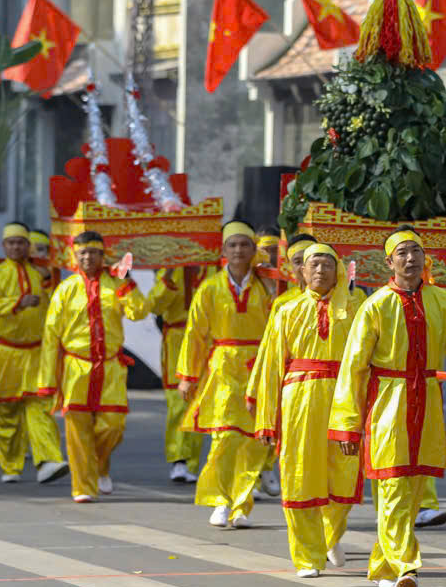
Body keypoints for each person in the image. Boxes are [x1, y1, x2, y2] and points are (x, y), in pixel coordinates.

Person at [330, 227, 446, 587]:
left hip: (426, 406)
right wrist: (347, 425)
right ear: (389, 262)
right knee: (395, 487)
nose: (410, 259)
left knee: (410, 493)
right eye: (402, 253)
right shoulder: (376, 306)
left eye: (416, 251)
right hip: (389, 406)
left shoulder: (439, 301)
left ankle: (385, 564)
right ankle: (406, 567)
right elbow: (353, 368)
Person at [250, 242, 364, 575]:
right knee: (299, 475)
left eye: (327, 264)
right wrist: (266, 419)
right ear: (301, 271)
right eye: (313, 264)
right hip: (298, 400)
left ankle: (330, 535)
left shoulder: (357, 307)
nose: (319, 270)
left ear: (338, 270)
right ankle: (307, 557)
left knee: (345, 475)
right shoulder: (287, 310)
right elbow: (272, 365)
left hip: (344, 398)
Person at [180, 221, 276, 527]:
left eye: (244, 244)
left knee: (253, 441)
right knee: (223, 438)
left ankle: (242, 506)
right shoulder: (209, 288)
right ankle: (220, 499)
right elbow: (195, 333)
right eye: (232, 245)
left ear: (252, 250)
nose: (238, 250)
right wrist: (188, 375)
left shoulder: (267, 288)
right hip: (222, 369)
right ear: (224, 250)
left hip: (258, 367)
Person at [42, 231, 146, 503]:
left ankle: (99, 466)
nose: (88, 258)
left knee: (113, 425)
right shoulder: (65, 289)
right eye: (83, 253)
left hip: (110, 368)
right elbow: (52, 335)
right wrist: (47, 380)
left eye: (94, 253)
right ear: (75, 256)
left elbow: (139, 312)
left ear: (103, 256)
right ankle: (84, 487)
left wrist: (127, 282)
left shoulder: (116, 284)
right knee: (77, 432)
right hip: (76, 368)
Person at [0, 223, 68, 485]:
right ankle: (10, 466)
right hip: (7, 352)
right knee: (6, 411)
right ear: (4, 246)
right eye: (11, 242)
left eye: (21, 242)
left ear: (28, 245)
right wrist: (18, 303)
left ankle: (47, 461)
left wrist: (49, 280)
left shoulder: (41, 273)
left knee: (41, 407)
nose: (16, 246)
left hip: (38, 352)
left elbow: (57, 304)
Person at [147, 261, 203, 482]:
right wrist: (168, 275)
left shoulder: (217, 268)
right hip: (177, 341)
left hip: (205, 342)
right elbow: (155, 306)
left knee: (198, 405)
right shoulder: (171, 268)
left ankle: (192, 463)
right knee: (178, 402)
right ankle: (178, 459)